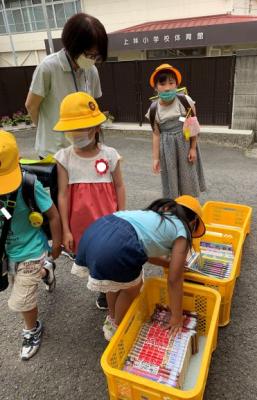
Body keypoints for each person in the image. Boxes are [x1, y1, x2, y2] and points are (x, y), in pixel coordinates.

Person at [71, 195, 206, 341]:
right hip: (117, 247)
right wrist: (176, 317)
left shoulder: (159, 215)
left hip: (99, 230)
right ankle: (118, 328)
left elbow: (145, 251)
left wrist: (168, 263)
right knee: (132, 287)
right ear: (193, 223)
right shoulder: (183, 232)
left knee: (115, 282)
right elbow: (174, 280)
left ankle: (112, 317)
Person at [53, 92, 126, 307]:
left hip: (109, 221)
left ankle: (107, 290)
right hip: (80, 225)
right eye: (72, 130)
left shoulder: (110, 154)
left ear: (95, 128)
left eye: (81, 128)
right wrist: (66, 230)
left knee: (109, 255)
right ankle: (103, 287)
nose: (76, 134)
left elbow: (119, 186)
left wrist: (123, 215)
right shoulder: (64, 157)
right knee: (91, 257)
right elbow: (63, 194)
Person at [0, 131, 62, 360]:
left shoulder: (28, 183)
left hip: (32, 249)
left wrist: (56, 243)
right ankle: (47, 270)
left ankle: (32, 329)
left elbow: (53, 215)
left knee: (22, 298)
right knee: (19, 282)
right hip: (7, 252)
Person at [25, 12, 108, 158]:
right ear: (73, 45)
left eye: (97, 56)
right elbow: (31, 106)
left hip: (83, 149)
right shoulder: (48, 67)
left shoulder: (92, 70)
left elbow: (93, 108)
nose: (93, 60)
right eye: (90, 54)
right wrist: (49, 132)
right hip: (54, 153)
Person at [146, 63, 206, 198]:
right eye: (162, 84)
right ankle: (175, 208)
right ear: (155, 87)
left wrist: (193, 148)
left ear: (177, 84)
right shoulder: (153, 110)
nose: (167, 88)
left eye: (171, 83)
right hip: (167, 148)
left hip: (185, 144)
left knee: (188, 178)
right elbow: (156, 134)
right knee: (171, 179)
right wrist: (155, 158)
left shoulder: (185, 101)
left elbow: (193, 126)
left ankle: (189, 207)